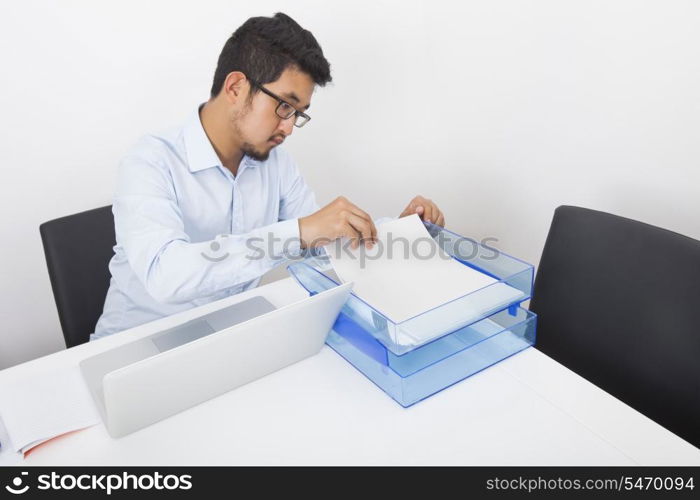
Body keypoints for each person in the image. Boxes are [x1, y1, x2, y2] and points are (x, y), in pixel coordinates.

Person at [91, 12, 445, 340]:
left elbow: (325, 249)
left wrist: (400, 231)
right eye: (284, 106)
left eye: (298, 114)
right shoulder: (150, 160)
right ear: (235, 88)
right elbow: (165, 274)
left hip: (229, 340)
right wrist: (299, 231)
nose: (289, 128)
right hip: (132, 346)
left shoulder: (276, 164)